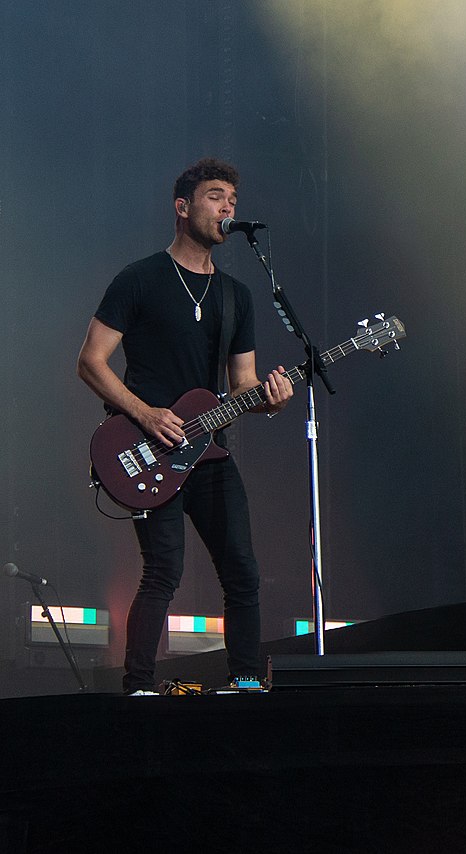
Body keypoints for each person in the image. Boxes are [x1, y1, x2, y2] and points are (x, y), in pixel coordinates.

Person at [77, 157, 293, 695]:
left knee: (242, 570)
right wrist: (144, 412)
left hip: (208, 451)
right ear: (183, 207)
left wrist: (269, 400)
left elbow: (242, 385)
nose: (228, 208)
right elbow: (91, 361)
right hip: (149, 444)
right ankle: (139, 686)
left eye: (233, 201)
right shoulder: (139, 279)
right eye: (216, 196)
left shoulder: (236, 296)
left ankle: (245, 682)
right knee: (163, 571)